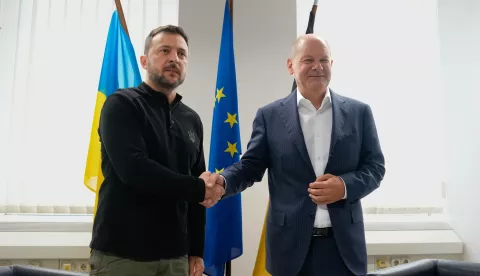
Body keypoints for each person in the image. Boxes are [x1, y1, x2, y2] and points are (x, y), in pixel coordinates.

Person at [208, 34, 386, 276]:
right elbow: (251, 167)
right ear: (290, 65)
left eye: (324, 60)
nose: (317, 66)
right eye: (308, 59)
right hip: (288, 250)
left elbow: (375, 167)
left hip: (343, 248)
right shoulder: (269, 116)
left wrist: (344, 186)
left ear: (332, 65)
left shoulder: (359, 112)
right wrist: (223, 181)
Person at [88, 25, 225, 276]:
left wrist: (196, 250)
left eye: (182, 54)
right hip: (123, 253)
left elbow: (197, 191)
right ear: (144, 61)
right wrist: (199, 188)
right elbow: (135, 170)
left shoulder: (191, 119)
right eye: (165, 51)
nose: (174, 58)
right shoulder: (121, 104)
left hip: (176, 256)